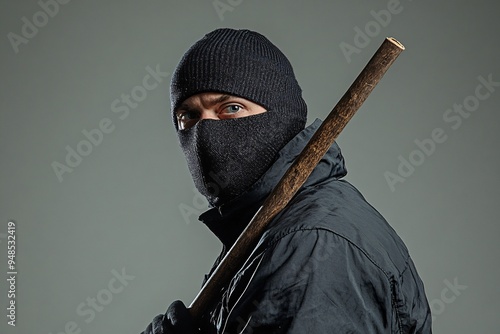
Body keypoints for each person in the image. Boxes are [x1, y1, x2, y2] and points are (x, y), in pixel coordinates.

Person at [141, 28, 432, 334]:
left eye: (231, 108)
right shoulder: (266, 233)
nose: (205, 134)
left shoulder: (312, 244)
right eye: (188, 116)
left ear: (280, 117)